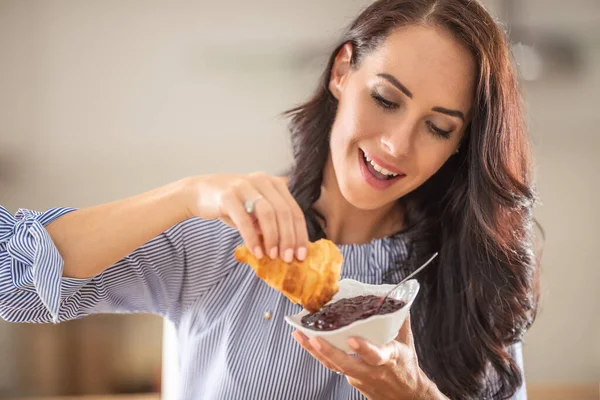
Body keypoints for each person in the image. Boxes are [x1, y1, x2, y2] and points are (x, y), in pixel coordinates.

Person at [0, 0, 541, 398]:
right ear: (341, 72)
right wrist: (187, 194)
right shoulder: (223, 233)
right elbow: (11, 280)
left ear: (460, 145)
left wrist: (415, 395)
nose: (396, 145)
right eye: (385, 98)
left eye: (438, 127)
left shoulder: (473, 272)